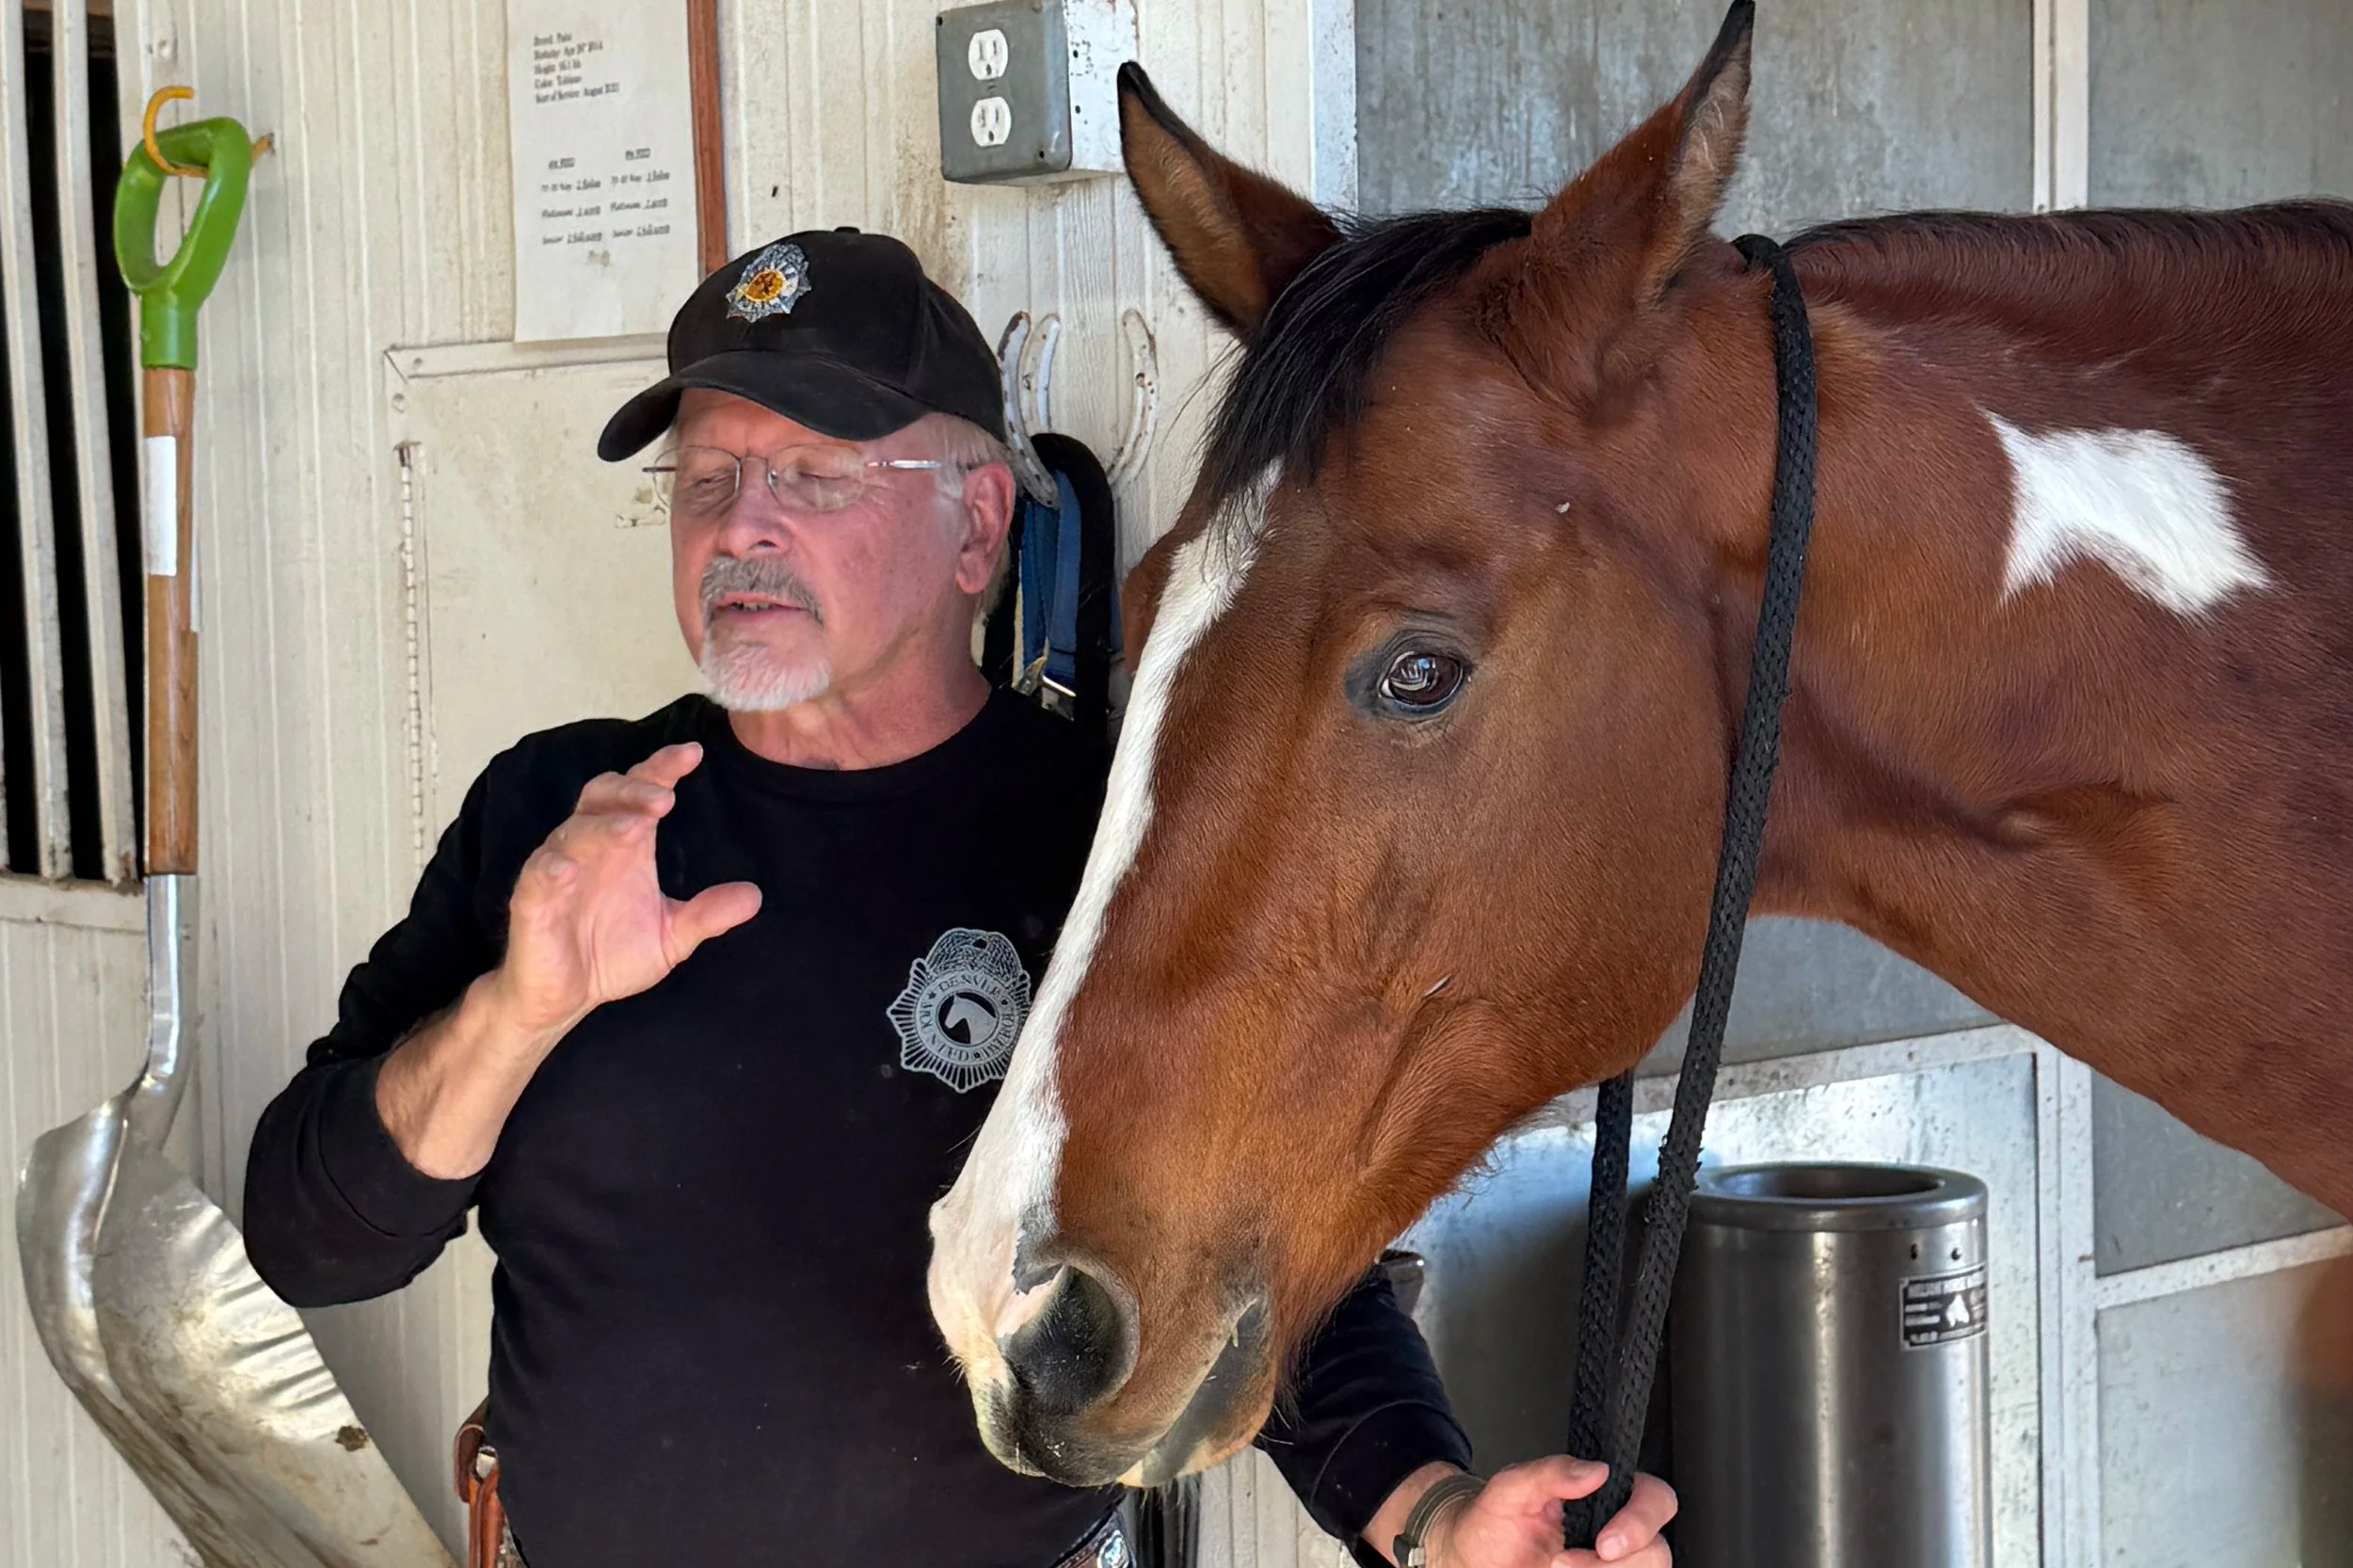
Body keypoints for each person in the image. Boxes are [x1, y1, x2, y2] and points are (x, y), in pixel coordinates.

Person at [242, 229, 1676, 1568]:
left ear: (979, 525)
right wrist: (518, 1007)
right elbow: (310, 1239)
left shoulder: (1113, 839)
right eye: (705, 476)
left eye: (813, 474)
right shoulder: (559, 816)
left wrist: (1427, 1514)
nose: (742, 526)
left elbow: (1263, 1249)